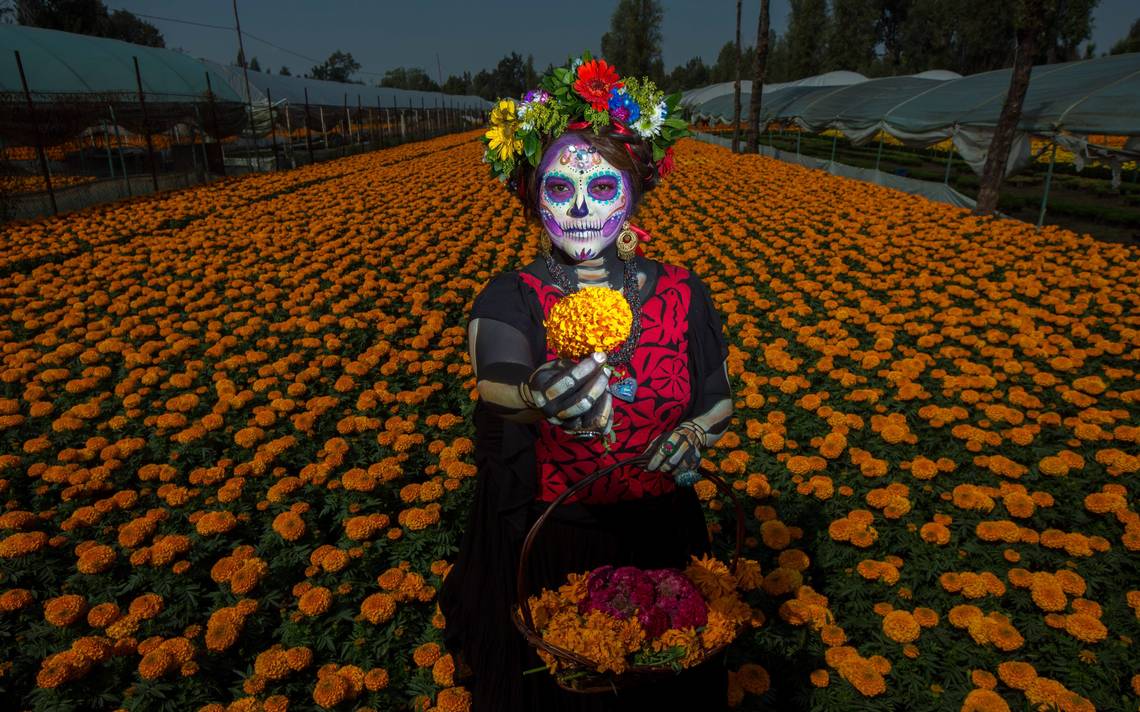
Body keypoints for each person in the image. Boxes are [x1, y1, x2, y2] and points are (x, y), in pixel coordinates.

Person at [438, 53, 734, 712]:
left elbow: (718, 397)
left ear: (634, 194)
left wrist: (695, 431)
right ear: (529, 193)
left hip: (664, 538)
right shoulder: (513, 296)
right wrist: (538, 392)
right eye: (558, 188)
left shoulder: (685, 292)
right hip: (556, 544)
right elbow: (499, 376)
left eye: (602, 189)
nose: (578, 208)